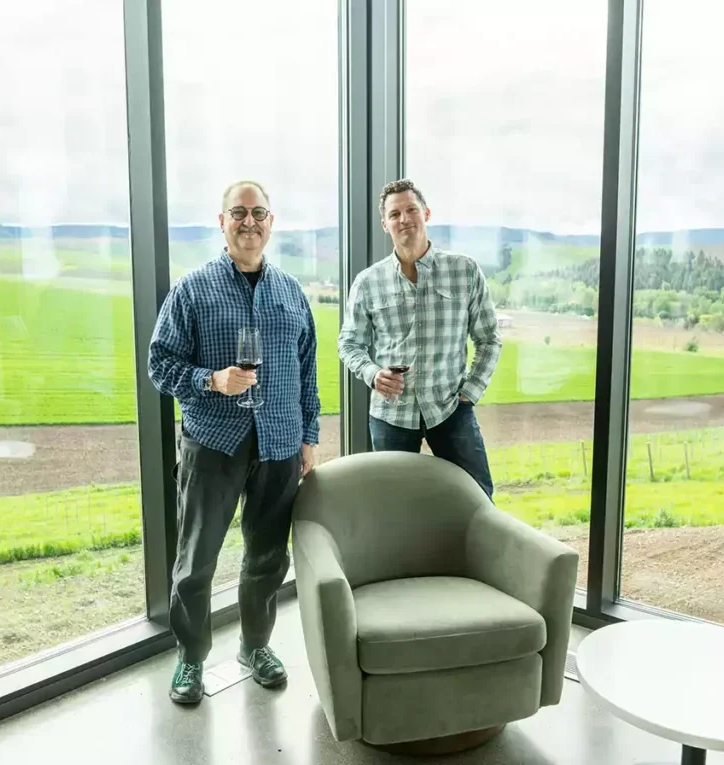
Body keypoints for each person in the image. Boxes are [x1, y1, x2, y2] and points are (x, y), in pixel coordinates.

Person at [148, 180, 320, 704]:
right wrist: (212, 379)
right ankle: (191, 656)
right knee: (196, 560)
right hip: (213, 443)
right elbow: (160, 365)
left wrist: (309, 436)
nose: (250, 222)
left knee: (268, 558)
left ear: (271, 222)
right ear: (221, 222)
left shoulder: (291, 292)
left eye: (259, 213)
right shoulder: (192, 289)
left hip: (280, 444)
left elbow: (307, 372)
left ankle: (255, 646)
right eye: (239, 213)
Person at [338, 178, 501, 498]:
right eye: (394, 214)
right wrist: (373, 374)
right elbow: (349, 343)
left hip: (451, 409)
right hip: (391, 415)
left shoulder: (464, 270)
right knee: (395, 505)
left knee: (478, 497)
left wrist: (470, 391)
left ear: (426, 213)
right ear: (385, 224)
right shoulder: (368, 282)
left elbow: (489, 339)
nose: (404, 219)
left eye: (411, 209)